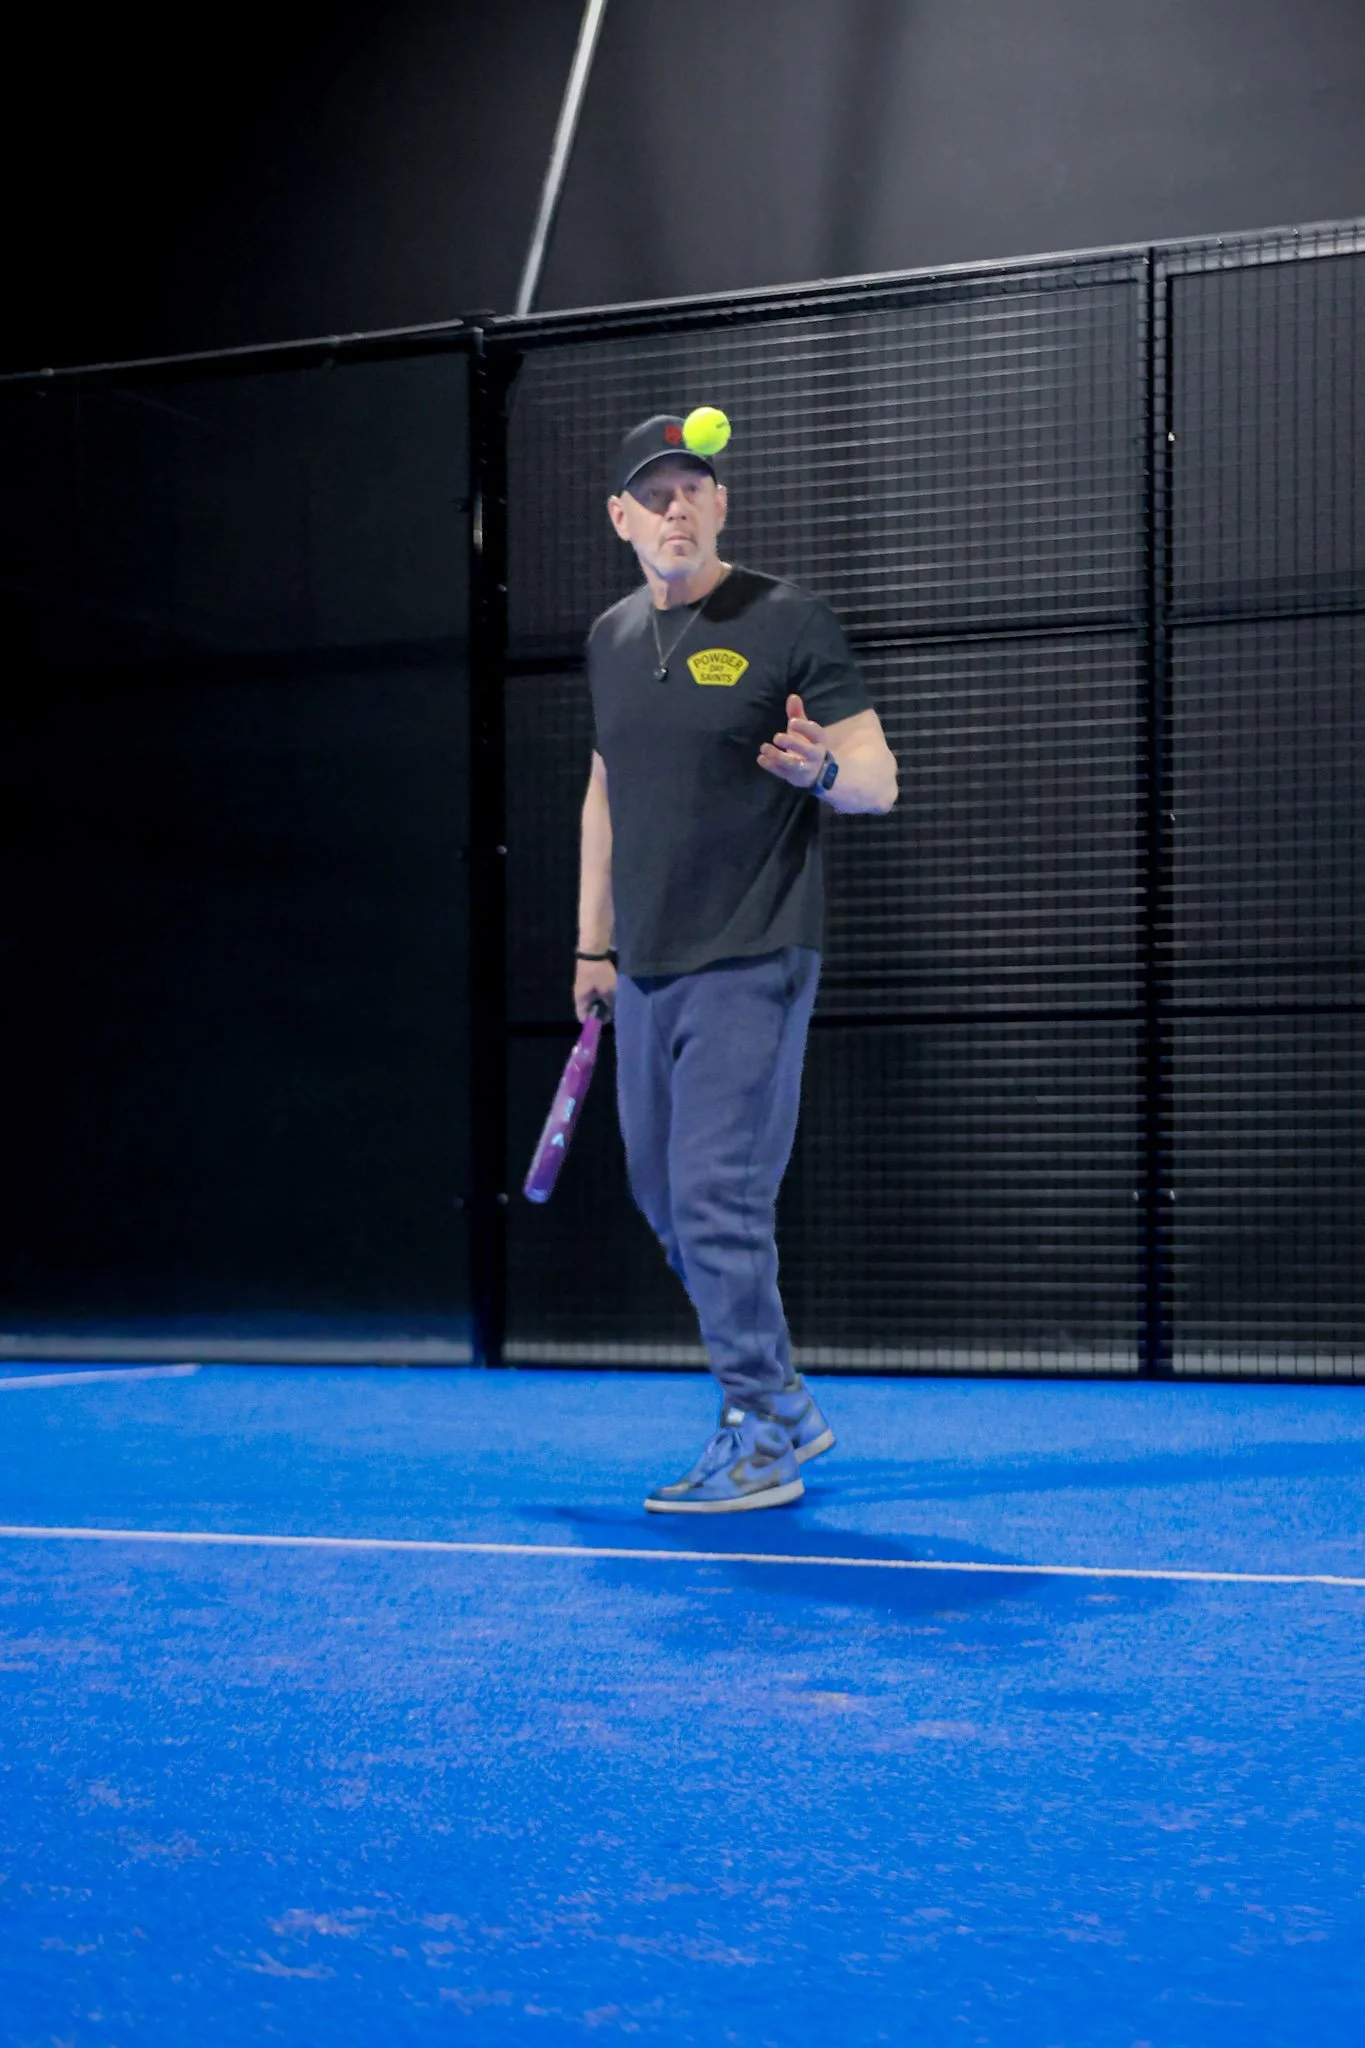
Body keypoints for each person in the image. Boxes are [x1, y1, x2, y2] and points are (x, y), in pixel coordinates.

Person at [574, 413, 899, 1513]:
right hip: (649, 962)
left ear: (720, 506)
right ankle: (787, 1398)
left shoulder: (787, 616)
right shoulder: (610, 639)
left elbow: (876, 777)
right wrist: (593, 940)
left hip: (754, 948)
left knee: (717, 1189)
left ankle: (760, 1426)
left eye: (693, 489)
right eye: (653, 493)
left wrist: (820, 773)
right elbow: (605, 788)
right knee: (662, 1196)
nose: (675, 507)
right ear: (621, 517)